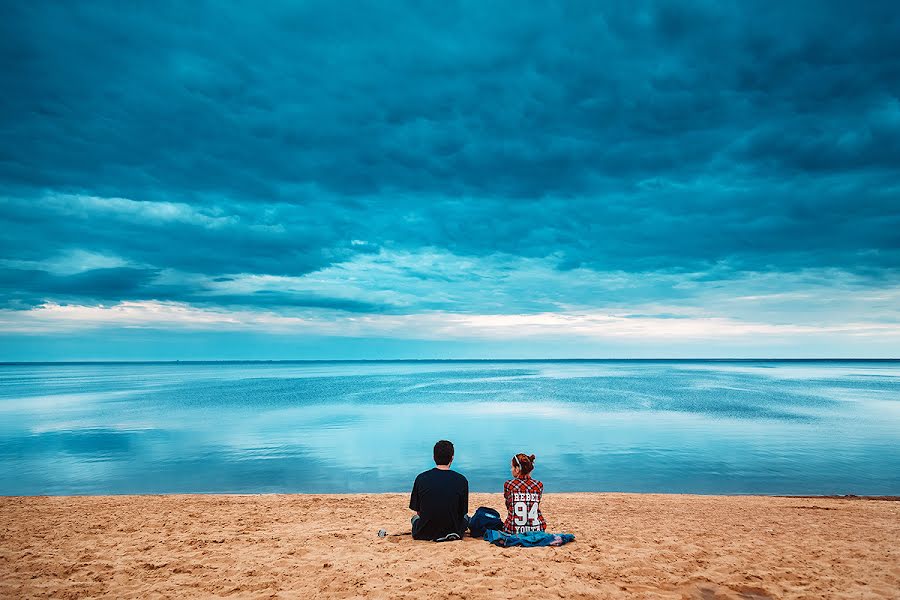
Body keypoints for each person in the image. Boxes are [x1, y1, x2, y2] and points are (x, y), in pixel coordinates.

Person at [409, 440, 469, 541]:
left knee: (414, 518)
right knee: (466, 518)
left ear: (434, 457)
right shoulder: (461, 480)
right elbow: (462, 512)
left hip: (424, 532)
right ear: (452, 458)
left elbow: (418, 511)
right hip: (453, 531)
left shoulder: (421, 478)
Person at [502, 453, 546, 534]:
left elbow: (509, 507)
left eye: (512, 467)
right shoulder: (539, 485)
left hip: (513, 530)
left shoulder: (509, 485)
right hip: (537, 529)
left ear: (517, 469)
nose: (511, 470)